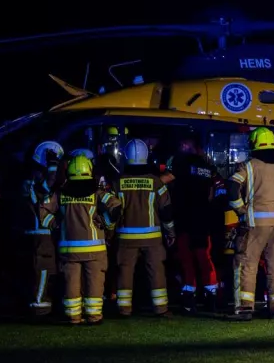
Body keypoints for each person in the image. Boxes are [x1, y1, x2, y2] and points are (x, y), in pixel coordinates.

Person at [38, 152, 121, 325]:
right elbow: (115, 208)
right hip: (95, 249)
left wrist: (56, 224)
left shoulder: (60, 193)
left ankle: (73, 316)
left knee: (71, 283)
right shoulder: (96, 192)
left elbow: (43, 211)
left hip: (69, 249)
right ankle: (94, 316)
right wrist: (105, 223)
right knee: (95, 282)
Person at [227, 126, 274, 320]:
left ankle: (244, 308)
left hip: (255, 223)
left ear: (254, 143)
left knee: (247, 264)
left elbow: (232, 187)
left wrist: (240, 210)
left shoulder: (249, 166)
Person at [159, 134, 222, 312]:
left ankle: (189, 298)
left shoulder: (181, 162)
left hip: (184, 218)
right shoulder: (208, 167)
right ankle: (211, 297)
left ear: (187, 145)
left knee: (186, 259)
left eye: (182, 143)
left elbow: (164, 180)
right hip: (202, 219)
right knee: (204, 258)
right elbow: (212, 193)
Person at [112, 138, 175, 316]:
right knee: (156, 272)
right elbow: (166, 211)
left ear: (126, 157)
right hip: (152, 238)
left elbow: (111, 210)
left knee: (125, 272)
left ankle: (124, 309)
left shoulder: (117, 182)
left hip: (125, 238)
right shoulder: (156, 182)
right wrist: (170, 232)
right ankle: (161, 308)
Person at [20, 140, 62, 318]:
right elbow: (48, 186)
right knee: (43, 271)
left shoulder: (31, 181)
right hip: (41, 235)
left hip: (37, 234)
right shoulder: (37, 184)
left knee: (43, 271)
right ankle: (40, 309)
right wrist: (53, 165)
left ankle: (41, 305)